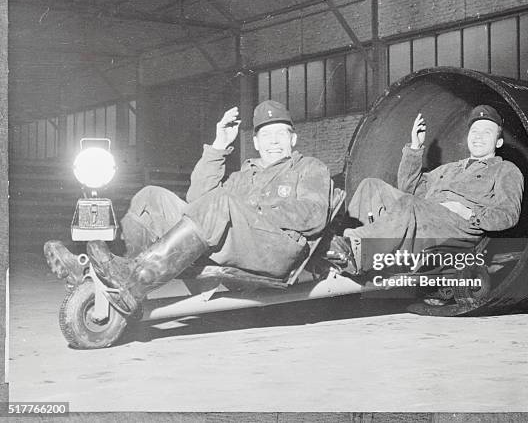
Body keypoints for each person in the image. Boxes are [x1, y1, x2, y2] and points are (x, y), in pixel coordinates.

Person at [44, 100, 332, 315]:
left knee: (221, 203)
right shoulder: (244, 175)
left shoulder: (308, 168)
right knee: (150, 197)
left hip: (275, 251)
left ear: (293, 139)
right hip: (237, 244)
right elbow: (198, 199)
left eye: (281, 134)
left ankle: (132, 283)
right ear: (255, 142)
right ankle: (102, 271)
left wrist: (248, 209)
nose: (274, 142)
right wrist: (219, 147)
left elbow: (315, 215)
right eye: (266, 136)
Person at [330, 104, 524, 274]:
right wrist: (415, 147)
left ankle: (354, 249)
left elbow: (508, 215)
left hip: (458, 226)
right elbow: (409, 188)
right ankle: (338, 242)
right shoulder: (449, 168)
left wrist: (469, 213)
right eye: (474, 131)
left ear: (498, 142)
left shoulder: (505, 170)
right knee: (371, 186)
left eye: (486, 132)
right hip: (426, 214)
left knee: (410, 204)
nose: (478, 137)